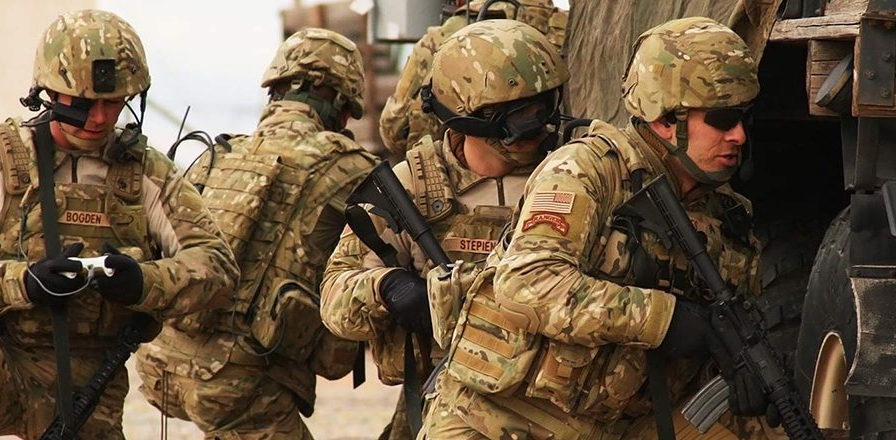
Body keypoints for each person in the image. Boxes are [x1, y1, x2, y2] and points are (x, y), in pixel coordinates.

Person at [424, 16, 774, 439]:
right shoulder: (588, 170)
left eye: (745, 118)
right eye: (722, 119)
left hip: (623, 424)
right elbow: (527, 283)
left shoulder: (728, 215)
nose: (738, 135)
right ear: (666, 120)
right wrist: (664, 320)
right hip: (501, 419)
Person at [0, 9, 238, 439]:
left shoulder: (147, 173)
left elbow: (218, 267)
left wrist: (145, 283)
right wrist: (25, 282)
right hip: (3, 362)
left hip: (92, 386)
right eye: (84, 105)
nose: (99, 119)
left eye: (113, 104)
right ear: (50, 94)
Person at [321, 19, 568, 440]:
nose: (537, 125)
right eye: (517, 113)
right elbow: (334, 299)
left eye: (543, 106)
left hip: (551, 402)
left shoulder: (571, 175)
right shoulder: (413, 185)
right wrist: (386, 287)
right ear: (466, 117)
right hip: (446, 393)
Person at [135, 28, 379, 439]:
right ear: (340, 104)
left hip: (161, 364)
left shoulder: (218, 154)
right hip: (239, 385)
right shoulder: (354, 169)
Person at [377, 0, 568, 161]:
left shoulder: (442, 37)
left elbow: (393, 132)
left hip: (452, 177)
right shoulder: (566, 26)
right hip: (556, 162)